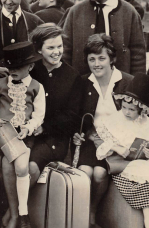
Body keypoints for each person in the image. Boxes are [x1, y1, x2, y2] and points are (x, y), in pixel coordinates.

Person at [1, 24, 82, 227]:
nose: (57, 52)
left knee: (29, 167)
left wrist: (44, 128)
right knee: (9, 162)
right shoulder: (30, 71)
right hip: (23, 132)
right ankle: (14, 213)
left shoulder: (72, 77)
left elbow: (72, 116)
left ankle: (14, 215)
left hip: (53, 137)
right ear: (38, 50)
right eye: (51, 48)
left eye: (59, 46)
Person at [0, 41, 45, 228]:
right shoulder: (1, 84)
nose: (13, 71)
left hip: (21, 136)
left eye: (18, 67)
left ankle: (23, 213)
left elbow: (39, 115)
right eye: (10, 67)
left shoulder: (36, 87)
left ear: (30, 66)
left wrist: (29, 127)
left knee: (22, 169)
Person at [73, 33, 133, 227]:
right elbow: (78, 117)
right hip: (92, 140)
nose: (96, 64)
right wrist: (81, 134)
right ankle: (80, 214)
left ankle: (92, 210)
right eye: (92, 59)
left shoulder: (126, 82)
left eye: (101, 58)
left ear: (112, 59)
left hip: (118, 143)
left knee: (99, 173)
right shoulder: (83, 83)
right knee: (84, 172)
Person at [62, 0, 146, 75]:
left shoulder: (129, 13)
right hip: (82, 86)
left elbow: (138, 55)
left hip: (119, 87)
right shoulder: (75, 12)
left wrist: (136, 88)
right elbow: (65, 51)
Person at [92, 73, 149, 228]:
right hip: (122, 167)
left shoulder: (145, 123)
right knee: (146, 190)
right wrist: (116, 147)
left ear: (141, 111)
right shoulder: (114, 120)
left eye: (131, 109)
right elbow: (100, 140)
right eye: (124, 107)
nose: (127, 112)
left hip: (142, 164)